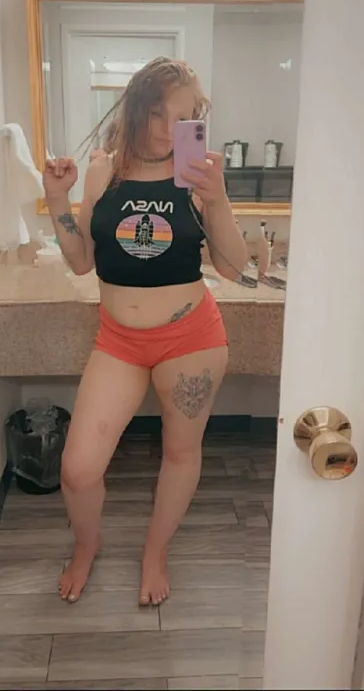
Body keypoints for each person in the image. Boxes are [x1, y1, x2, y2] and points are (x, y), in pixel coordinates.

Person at [43, 56, 247, 606]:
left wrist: (218, 197)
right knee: (78, 469)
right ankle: (87, 545)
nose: (166, 129)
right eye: (157, 113)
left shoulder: (196, 176)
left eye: (183, 117)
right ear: (135, 108)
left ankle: (155, 552)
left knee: (180, 453)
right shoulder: (103, 171)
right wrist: (58, 199)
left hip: (191, 338)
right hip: (119, 340)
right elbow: (82, 261)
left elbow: (233, 268)